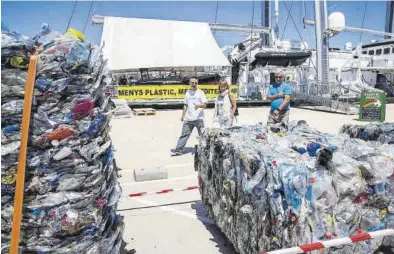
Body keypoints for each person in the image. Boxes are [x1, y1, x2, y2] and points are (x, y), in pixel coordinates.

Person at [171, 77, 207, 155]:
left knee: (202, 136)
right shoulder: (187, 93)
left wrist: (198, 105)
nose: (193, 84)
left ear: (197, 83)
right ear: (189, 83)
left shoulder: (201, 93)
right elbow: (185, 105)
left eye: (195, 83)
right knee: (184, 134)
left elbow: (205, 105)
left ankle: (205, 150)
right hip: (188, 119)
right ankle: (179, 149)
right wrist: (183, 115)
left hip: (199, 119)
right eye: (192, 82)